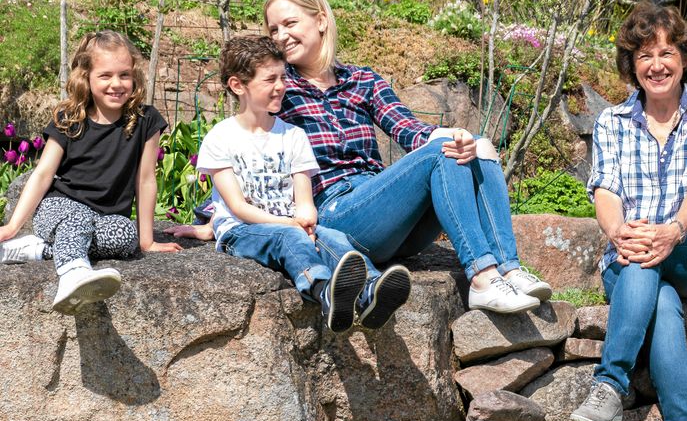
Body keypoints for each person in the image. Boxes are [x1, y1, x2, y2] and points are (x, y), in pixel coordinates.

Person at [260, 0, 550, 313]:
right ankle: (483, 278)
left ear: (321, 20)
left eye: (290, 23)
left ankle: (509, 269)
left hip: (387, 214)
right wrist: (216, 215)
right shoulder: (278, 89)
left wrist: (458, 136)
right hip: (337, 214)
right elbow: (246, 137)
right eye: (273, 29)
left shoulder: (362, 80)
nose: (281, 36)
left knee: (475, 147)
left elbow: (408, 129)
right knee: (443, 153)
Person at [568, 1, 687, 421]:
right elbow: (605, 189)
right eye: (644, 55)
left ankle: (611, 381)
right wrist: (618, 232)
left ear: (683, 58)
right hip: (633, 252)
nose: (656, 64)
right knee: (654, 291)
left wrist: (675, 230)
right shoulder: (613, 122)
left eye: (666, 52)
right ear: (631, 66)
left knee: (650, 258)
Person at [195, 35, 404, 332]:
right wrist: (290, 226)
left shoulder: (293, 135)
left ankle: (371, 289)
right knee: (287, 239)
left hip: (289, 224)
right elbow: (238, 206)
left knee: (332, 237)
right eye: (270, 79)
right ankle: (322, 290)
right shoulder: (221, 137)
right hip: (241, 231)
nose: (281, 86)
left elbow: (304, 199)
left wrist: (305, 218)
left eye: (282, 77)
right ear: (237, 85)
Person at [0, 31, 181, 313]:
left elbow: (145, 180)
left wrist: (147, 240)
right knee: (77, 218)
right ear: (86, 78)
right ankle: (73, 275)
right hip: (58, 208)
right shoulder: (69, 118)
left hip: (107, 217)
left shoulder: (146, 121)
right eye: (105, 75)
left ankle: (37, 250)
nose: (116, 84)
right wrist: (12, 226)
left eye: (124, 75)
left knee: (125, 236)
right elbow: (43, 174)